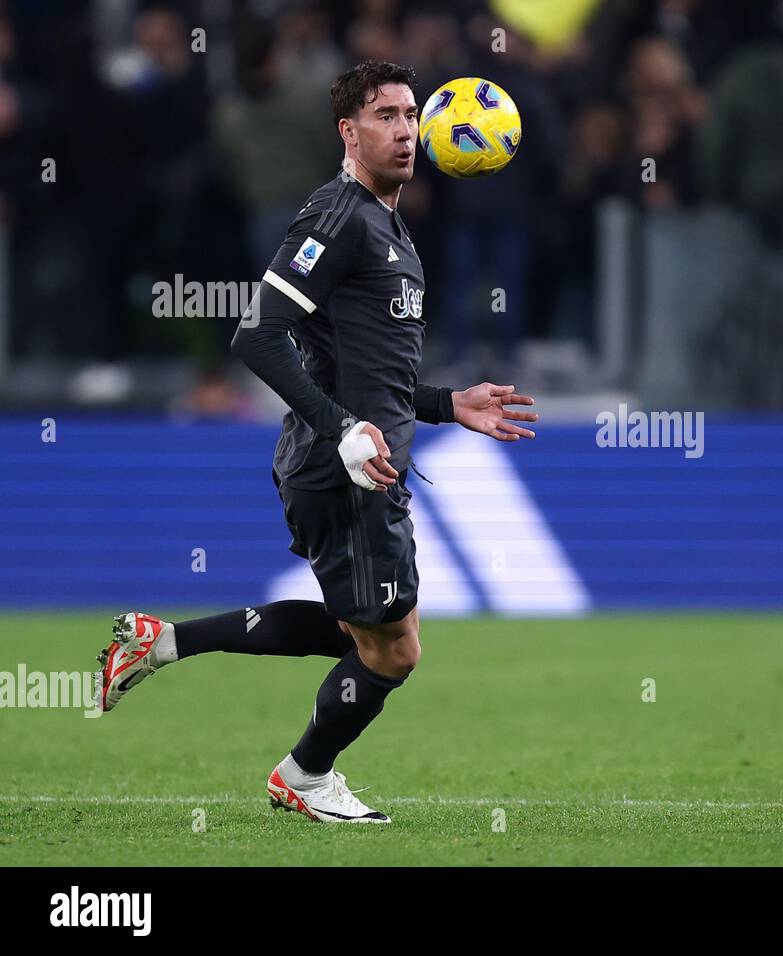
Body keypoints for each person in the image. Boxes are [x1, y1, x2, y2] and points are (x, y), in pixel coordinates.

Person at [92, 61, 539, 824]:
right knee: (393, 650)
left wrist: (444, 403)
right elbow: (258, 335)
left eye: (409, 115)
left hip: (365, 463)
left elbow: (367, 371)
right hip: (343, 471)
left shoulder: (390, 228)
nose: (405, 131)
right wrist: (343, 431)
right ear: (348, 131)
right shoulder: (337, 217)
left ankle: (159, 643)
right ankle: (302, 775)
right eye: (385, 117)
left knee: (358, 629)